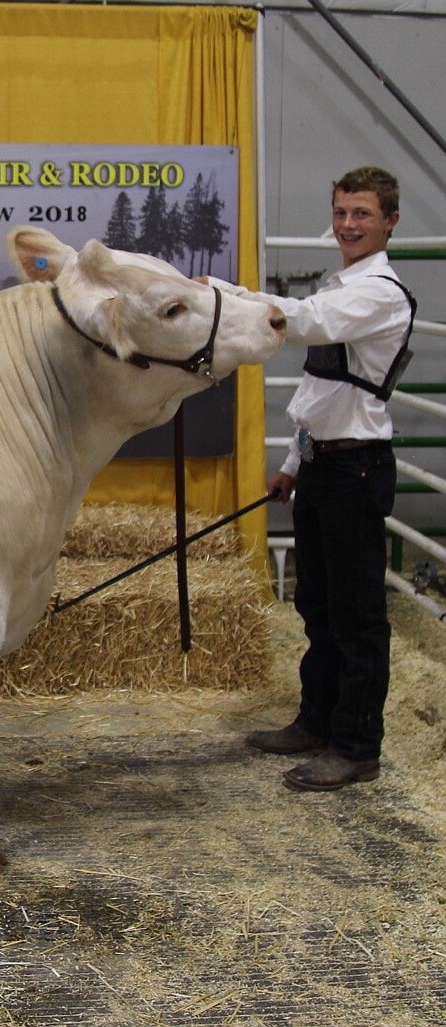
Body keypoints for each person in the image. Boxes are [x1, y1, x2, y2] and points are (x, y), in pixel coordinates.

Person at [209, 166, 416, 791]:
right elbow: (319, 387)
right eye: (342, 212)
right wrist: (294, 465)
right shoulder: (343, 284)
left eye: (362, 214)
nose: (348, 225)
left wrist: (218, 293)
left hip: (356, 468)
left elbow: (303, 322)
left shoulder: (378, 292)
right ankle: (317, 721)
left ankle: (356, 745)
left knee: (356, 614)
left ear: (389, 222)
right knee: (317, 605)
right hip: (324, 465)